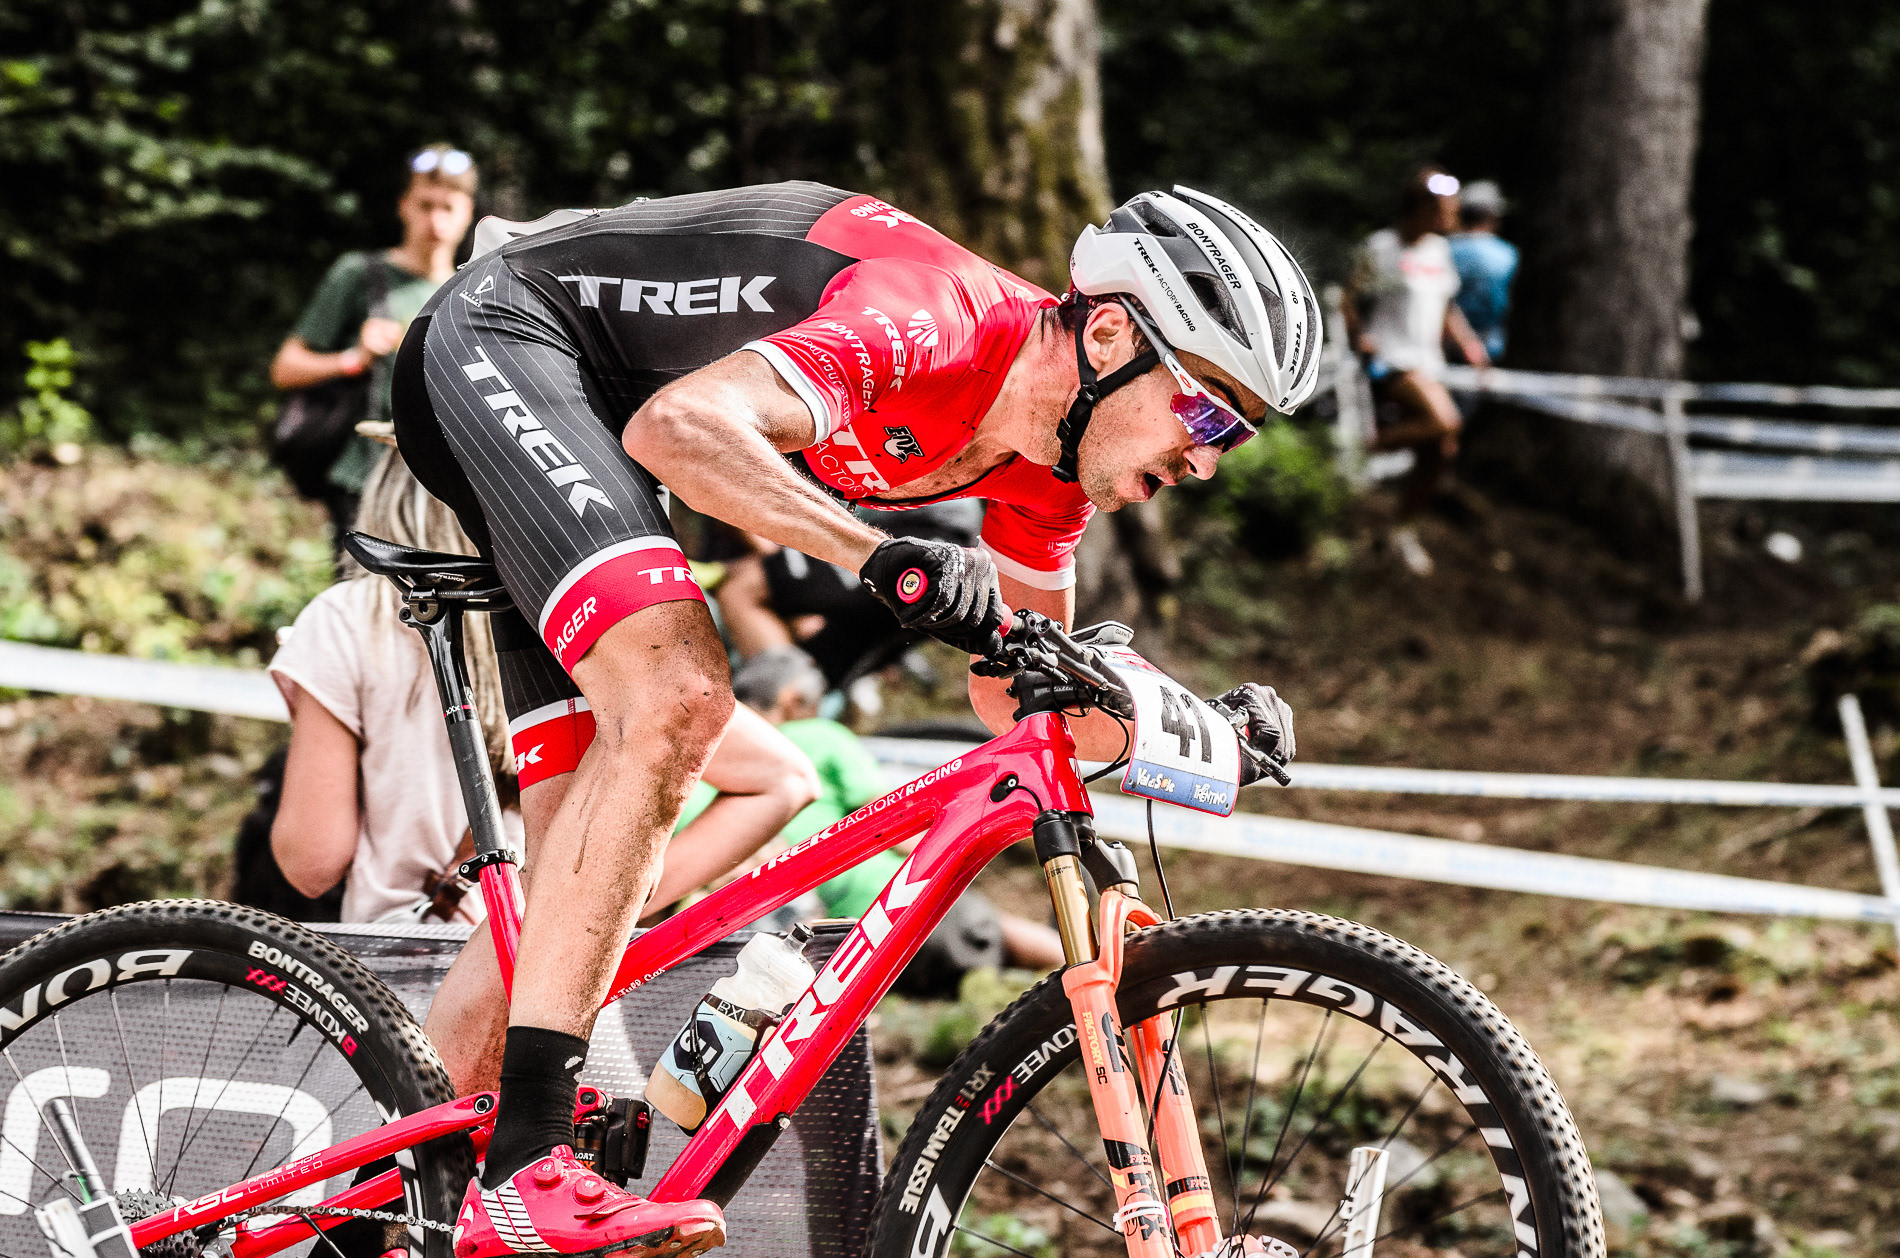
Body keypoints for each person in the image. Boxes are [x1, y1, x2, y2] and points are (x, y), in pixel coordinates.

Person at [392, 181, 1306, 1257]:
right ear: (1107, 335)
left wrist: (1186, 724)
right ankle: (527, 1168)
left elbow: (1017, 696)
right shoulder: (936, 319)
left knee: (572, 901)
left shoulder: (1048, 475)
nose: (1206, 458)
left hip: (595, 417)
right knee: (681, 699)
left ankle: (377, 1215)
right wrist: (875, 555)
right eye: (1206, 411)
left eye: (1234, 437)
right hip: (514, 333)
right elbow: (680, 426)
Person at [678, 646, 1066, 986]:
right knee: (1003, 939)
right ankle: (1088, 970)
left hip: (824, 953)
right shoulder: (819, 736)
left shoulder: (699, 778)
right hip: (896, 902)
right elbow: (902, 825)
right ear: (792, 700)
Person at [268, 436, 518, 928]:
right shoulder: (567, 615)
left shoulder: (346, 620)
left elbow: (312, 863)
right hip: (555, 950)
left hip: (411, 950)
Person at [270, 146, 479, 544]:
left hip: (445, 491)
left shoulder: (473, 291)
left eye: (448, 207)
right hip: (364, 479)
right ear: (404, 206)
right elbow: (285, 368)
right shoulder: (361, 275)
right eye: (425, 205)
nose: (435, 220)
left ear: (467, 212)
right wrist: (354, 358)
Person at [1343, 168, 1492, 576]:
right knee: (1445, 421)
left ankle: (1400, 531)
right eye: (1446, 207)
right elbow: (1349, 299)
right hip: (1391, 358)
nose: (1453, 213)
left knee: (1442, 451)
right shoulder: (1381, 247)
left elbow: (1446, 306)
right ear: (1422, 207)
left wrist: (1469, 345)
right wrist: (1358, 336)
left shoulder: (1440, 251)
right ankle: (1360, 453)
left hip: (1429, 362)